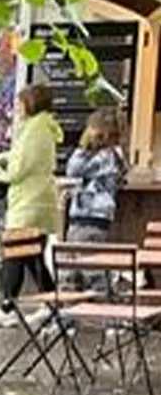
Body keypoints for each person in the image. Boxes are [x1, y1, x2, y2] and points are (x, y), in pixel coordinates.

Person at [0, 84, 64, 329]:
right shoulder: (44, 128)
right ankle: (52, 306)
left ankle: (8, 307)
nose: (16, 108)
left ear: (32, 103)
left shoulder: (34, 130)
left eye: (20, 103)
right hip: (39, 202)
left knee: (14, 254)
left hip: (27, 203)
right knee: (32, 257)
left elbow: (18, 170)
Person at [63, 107, 127, 290]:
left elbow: (74, 169)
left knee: (86, 267)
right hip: (87, 217)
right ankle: (71, 312)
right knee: (74, 266)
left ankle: (100, 306)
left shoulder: (107, 156)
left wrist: (82, 147)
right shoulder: (111, 155)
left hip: (91, 217)